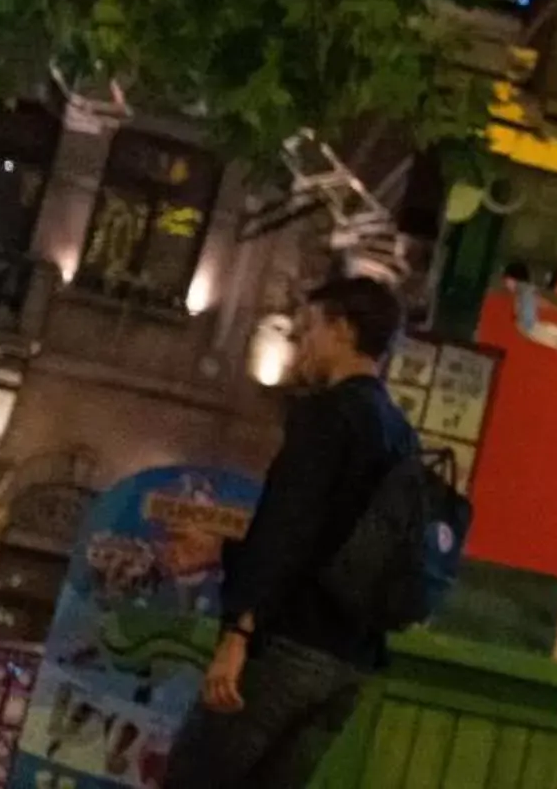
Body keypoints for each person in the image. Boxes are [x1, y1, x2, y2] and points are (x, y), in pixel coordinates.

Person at [164, 277, 417, 789]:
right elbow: (334, 541)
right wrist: (223, 550)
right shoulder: (401, 434)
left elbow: (288, 527)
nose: (300, 345)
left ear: (342, 330)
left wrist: (238, 633)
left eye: (309, 330)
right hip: (349, 662)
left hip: (288, 647)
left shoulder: (329, 415)